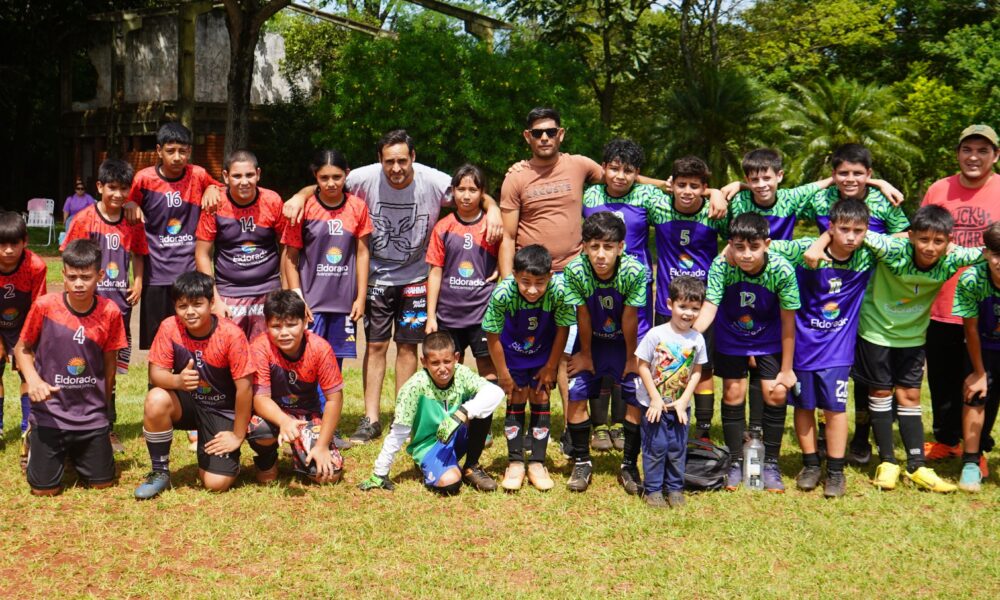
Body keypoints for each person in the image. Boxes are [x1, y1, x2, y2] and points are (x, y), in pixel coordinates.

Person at [283, 129, 503, 445]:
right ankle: (370, 419)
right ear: (379, 161)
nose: (396, 168)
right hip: (375, 278)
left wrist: (493, 208)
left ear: (413, 157)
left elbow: (471, 190)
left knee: (407, 347)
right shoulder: (363, 178)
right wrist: (299, 195)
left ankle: (405, 414)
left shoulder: (433, 180)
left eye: (402, 160)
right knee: (374, 346)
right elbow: (326, 182)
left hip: (416, 278)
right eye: (389, 162)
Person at [806, 205, 984, 492]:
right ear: (910, 236)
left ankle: (917, 466)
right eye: (923, 239)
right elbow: (850, 231)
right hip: (875, 332)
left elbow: (988, 250)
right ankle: (887, 462)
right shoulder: (890, 248)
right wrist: (818, 244)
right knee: (880, 392)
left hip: (913, 337)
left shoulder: (954, 258)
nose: (930, 247)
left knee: (910, 395)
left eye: (938, 241)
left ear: (949, 241)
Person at [768, 199, 875, 497]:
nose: (851, 237)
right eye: (843, 230)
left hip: (838, 350)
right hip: (801, 346)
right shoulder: (803, 250)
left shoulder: (866, 255)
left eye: (858, 230)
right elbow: (761, 247)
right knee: (804, 407)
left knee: (835, 408)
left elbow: (904, 239)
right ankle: (811, 463)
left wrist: (880, 186)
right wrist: (818, 245)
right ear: (831, 227)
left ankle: (836, 472)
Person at [693, 213, 800, 492]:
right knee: (733, 393)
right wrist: (688, 336)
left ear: (767, 243)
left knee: (775, 392)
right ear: (730, 245)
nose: (746, 255)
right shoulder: (721, 265)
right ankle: (736, 462)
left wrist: (787, 368)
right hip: (731, 337)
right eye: (739, 247)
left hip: (770, 338)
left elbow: (789, 321)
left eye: (754, 247)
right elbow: (710, 307)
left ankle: (771, 464)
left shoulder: (781, 269)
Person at [14, 239, 126, 495]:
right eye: (72, 276)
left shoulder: (110, 312)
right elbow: (22, 348)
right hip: (50, 414)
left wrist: (103, 411)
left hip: (91, 416)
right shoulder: (45, 307)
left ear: (99, 275)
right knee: (44, 490)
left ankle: (78, 451)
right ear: (62, 274)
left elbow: (110, 366)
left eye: (86, 277)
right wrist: (33, 380)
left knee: (102, 484)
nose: (78, 283)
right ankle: (34, 440)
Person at [133, 271, 253, 499]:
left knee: (215, 483)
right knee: (156, 398)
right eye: (182, 306)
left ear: (211, 303)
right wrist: (176, 380)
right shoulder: (169, 327)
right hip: (186, 402)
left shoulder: (231, 334)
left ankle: (227, 459)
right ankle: (159, 472)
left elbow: (245, 388)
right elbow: (156, 375)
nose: (189, 312)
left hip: (220, 408)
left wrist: (238, 435)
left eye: (197, 304)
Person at [921, 125, 1000, 463]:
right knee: (942, 376)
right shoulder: (940, 188)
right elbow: (920, 233)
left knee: (984, 378)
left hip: (988, 305)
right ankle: (946, 438)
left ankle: (977, 445)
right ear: (957, 153)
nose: (974, 156)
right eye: (967, 148)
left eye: (983, 150)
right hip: (941, 301)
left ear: (995, 156)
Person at [61, 158, 147, 454]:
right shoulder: (84, 219)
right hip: (89, 311)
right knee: (82, 366)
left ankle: (106, 427)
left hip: (120, 310)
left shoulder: (132, 221)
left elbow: (138, 253)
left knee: (110, 372)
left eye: (125, 189)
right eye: (112, 188)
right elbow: (70, 258)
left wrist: (137, 282)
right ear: (99, 187)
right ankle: (74, 423)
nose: (118, 195)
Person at [359, 332, 505, 494]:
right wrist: (380, 472)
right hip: (430, 445)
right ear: (424, 362)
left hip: (456, 434)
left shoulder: (461, 373)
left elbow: (496, 392)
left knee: (483, 400)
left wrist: (462, 413)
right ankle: (434, 465)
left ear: (456, 357)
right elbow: (398, 433)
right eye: (435, 363)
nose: (442, 368)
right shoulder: (414, 387)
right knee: (450, 483)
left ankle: (471, 466)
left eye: (447, 361)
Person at [564, 212, 646, 493]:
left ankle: (629, 464)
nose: (601, 255)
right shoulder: (575, 271)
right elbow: (582, 314)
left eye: (608, 247)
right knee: (575, 392)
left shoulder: (634, 271)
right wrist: (585, 354)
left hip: (625, 344)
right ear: (584, 247)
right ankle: (582, 461)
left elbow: (630, 317)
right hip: (593, 343)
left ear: (620, 247)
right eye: (594, 246)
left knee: (636, 395)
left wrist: (633, 357)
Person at [484, 245, 575, 491]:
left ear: (550, 277)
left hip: (543, 356)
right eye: (525, 282)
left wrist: (551, 367)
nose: (532, 289)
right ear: (514, 275)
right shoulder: (503, 292)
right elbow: (492, 335)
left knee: (540, 396)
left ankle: (537, 462)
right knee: (516, 396)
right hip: (512, 355)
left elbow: (563, 328)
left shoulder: (558, 291)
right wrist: (503, 374)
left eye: (539, 282)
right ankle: (515, 463)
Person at [649, 156, 727, 443]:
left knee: (703, 367)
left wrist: (716, 194)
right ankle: (663, 419)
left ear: (703, 188)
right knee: (665, 366)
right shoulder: (659, 208)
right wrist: (663, 184)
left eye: (695, 186)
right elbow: (633, 180)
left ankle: (703, 431)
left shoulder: (715, 213)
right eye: (681, 184)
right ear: (673, 186)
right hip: (667, 307)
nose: (687, 191)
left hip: (702, 308)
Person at [125, 122, 221, 352]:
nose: (177, 157)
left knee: (192, 341)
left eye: (183, 151)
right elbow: (127, 204)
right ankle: (157, 387)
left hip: (190, 275)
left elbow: (221, 188)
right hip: (155, 276)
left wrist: (212, 188)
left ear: (189, 151)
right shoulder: (144, 179)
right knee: (158, 345)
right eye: (170, 151)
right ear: (159, 151)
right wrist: (130, 203)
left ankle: (188, 387)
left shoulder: (198, 175)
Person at [281, 149, 371, 376]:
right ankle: (310, 411)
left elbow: (362, 254)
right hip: (311, 304)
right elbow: (291, 257)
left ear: (346, 174)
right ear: (315, 176)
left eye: (337, 177)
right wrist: (297, 296)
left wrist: (360, 298)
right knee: (307, 361)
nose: (331, 183)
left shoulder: (357, 207)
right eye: (324, 178)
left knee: (334, 365)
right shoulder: (303, 208)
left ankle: (329, 412)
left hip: (344, 304)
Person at [246, 291, 346, 485]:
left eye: (291, 324)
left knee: (328, 475)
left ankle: (304, 449)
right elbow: (260, 398)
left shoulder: (320, 348)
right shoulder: (259, 347)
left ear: (305, 322)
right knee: (258, 428)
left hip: (307, 415)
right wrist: (284, 421)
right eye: (276, 326)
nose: (284, 332)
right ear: (266, 325)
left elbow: (335, 399)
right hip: (273, 415)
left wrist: (323, 445)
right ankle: (267, 460)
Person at [195, 149, 286, 341]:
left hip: (268, 291)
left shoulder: (272, 201)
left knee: (266, 353)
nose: (244, 181)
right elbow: (203, 254)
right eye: (237, 176)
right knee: (229, 351)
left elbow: (286, 248)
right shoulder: (215, 204)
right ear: (226, 177)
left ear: (258, 174)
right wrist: (215, 299)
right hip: (229, 292)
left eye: (249, 175)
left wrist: (284, 292)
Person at [635, 275, 708, 508]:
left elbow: (697, 371)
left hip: (680, 408)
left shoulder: (697, 339)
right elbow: (642, 366)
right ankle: (654, 490)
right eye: (682, 306)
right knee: (655, 447)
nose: (688, 313)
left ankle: (675, 488)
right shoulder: (656, 334)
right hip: (654, 407)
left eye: (694, 308)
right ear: (669, 304)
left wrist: (684, 400)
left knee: (677, 447)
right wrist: (655, 399)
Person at [425, 164, 499, 380]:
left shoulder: (492, 225)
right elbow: (435, 272)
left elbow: (507, 255)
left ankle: (484, 415)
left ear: (482, 192)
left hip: (482, 313)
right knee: (449, 368)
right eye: (461, 189)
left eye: (473, 190)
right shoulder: (443, 227)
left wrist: (500, 268)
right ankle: (454, 413)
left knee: (487, 366)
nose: (466, 196)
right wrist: (431, 316)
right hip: (448, 315)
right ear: (453, 191)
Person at [953, 221, 1000, 491]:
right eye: (996, 254)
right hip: (985, 347)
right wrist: (979, 372)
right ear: (985, 253)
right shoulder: (972, 278)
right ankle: (971, 462)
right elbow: (970, 329)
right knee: (974, 394)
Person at [0, 211, 46, 450]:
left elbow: (39, 306)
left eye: (14, 244)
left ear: (25, 241)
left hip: (25, 324)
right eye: (3, 244)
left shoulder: (36, 266)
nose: (8, 250)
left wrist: (23, 343)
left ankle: (27, 428)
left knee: (27, 371)